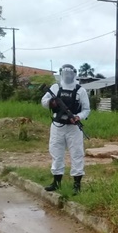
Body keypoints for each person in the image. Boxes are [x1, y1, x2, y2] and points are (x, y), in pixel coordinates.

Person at [40, 63, 90, 194]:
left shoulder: (80, 90)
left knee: (77, 154)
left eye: (70, 73)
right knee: (56, 153)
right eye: (65, 73)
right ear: (61, 73)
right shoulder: (55, 88)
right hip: (57, 127)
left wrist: (78, 117)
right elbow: (44, 102)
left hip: (73, 128)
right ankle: (56, 182)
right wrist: (52, 102)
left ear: (74, 74)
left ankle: (77, 185)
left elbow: (86, 109)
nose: (67, 76)